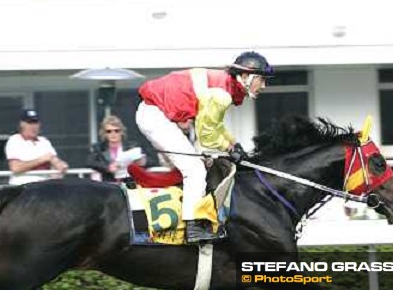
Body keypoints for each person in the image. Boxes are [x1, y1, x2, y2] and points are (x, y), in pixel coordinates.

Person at [136, 51, 272, 244]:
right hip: (155, 116)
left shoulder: (225, 86)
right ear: (244, 76)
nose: (264, 86)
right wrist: (229, 149)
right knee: (195, 170)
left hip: (157, 114)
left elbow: (214, 125)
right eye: (261, 80)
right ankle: (193, 226)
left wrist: (233, 144)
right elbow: (207, 136)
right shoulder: (221, 94)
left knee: (200, 164)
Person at [5, 108, 69, 186]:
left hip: (44, 187)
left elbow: (54, 160)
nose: (33, 126)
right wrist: (41, 159)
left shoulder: (44, 141)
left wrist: (60, 165)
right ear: (22, 124)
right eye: (30, 123)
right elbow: (16, 168)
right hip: (22, 187)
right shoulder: (15, 140)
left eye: (35, 123)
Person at [87, 115, 145, 183]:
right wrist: (107, 167)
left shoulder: (133, 145)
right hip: (108, 183)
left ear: (122, 132)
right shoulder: (98, 147)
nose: (113, 134)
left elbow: (151, 161)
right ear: (104, 133)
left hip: (129, 182)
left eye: (116, 131)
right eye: (109, 131)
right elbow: (90, 162)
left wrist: (142, 161)